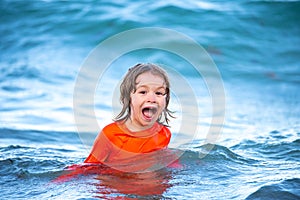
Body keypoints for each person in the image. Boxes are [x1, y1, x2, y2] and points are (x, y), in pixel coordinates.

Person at [84, 63, 175, 172]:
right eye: (143, 92)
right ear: (128, 98)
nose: (152, 98)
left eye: (159, 93)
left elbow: (164, 161)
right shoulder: (110, 135)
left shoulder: (164, 133)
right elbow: (87, 168)